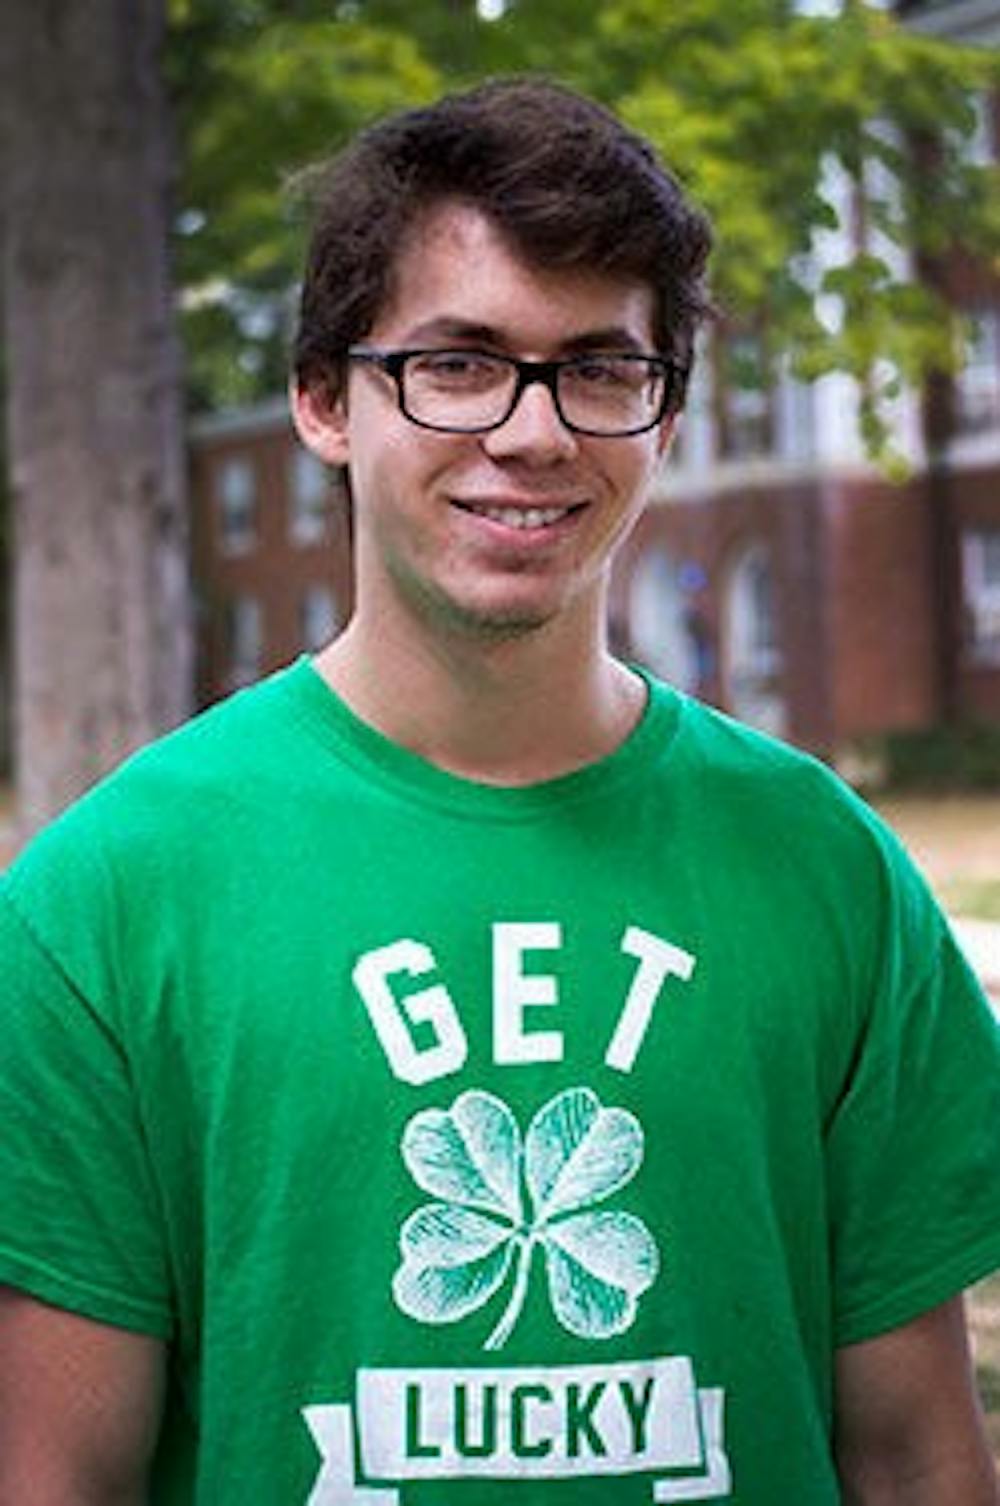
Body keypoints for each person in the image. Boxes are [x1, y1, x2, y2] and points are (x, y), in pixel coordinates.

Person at [1, 77, 999, 1506]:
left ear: (665, 415)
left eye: (600, 368)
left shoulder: (830, 873)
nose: (535, 433)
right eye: (459, 364)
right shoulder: (105, 904)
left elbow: (913, 1460)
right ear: (323, 400)